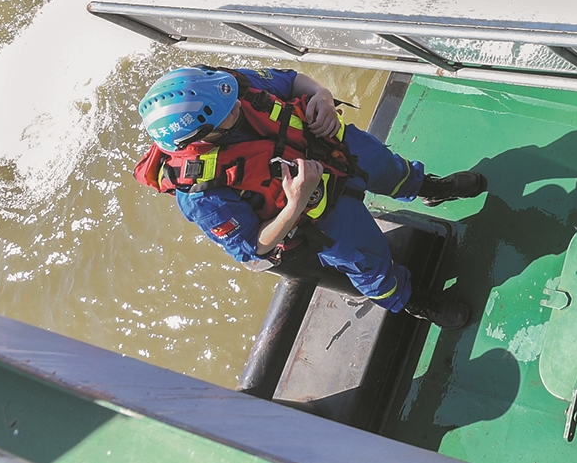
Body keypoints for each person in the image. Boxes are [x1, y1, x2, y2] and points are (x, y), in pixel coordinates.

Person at [133, 65, 484, 326]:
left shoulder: (225, 88)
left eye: (231, 97)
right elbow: (252, 248)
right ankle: (415, 302)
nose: (238, 105)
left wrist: (322, 98)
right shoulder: (200, 195)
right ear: (201, 135)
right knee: (369, 265)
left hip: (328, 143)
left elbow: (290, 80)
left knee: (392, 170)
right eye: (228, 113)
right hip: (317, 212)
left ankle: (432, 189)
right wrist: (296, 202)